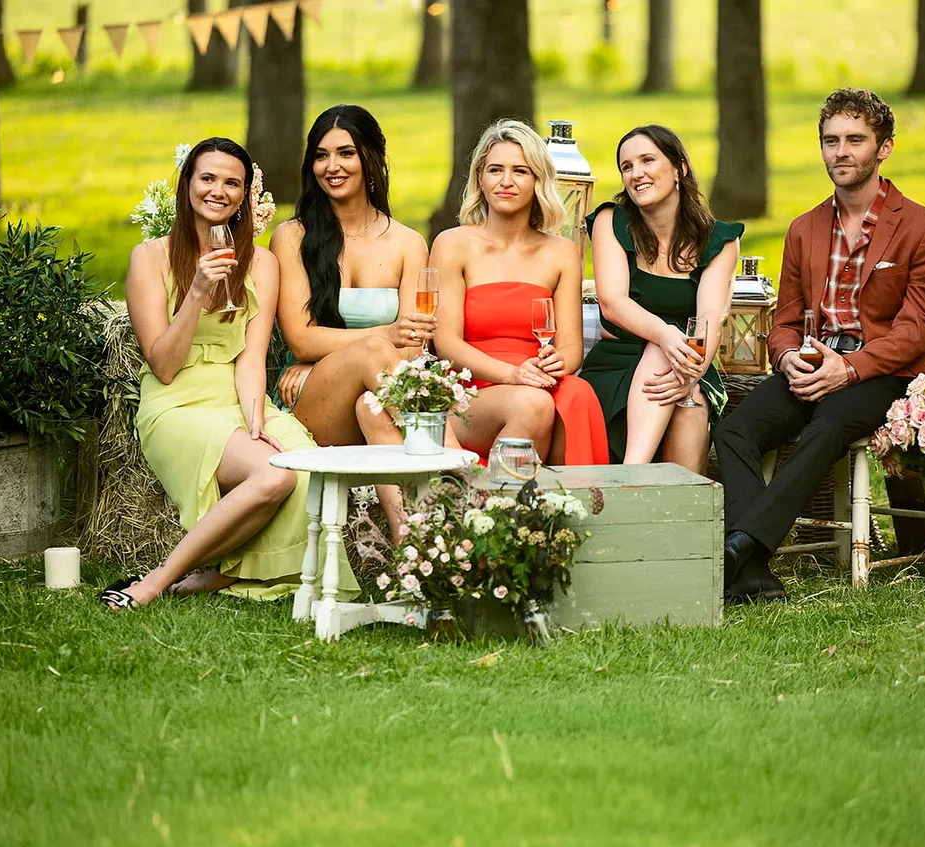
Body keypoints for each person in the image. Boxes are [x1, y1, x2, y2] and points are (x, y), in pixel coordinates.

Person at [714, 88, 925, 602]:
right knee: (734, 429)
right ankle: (751, 569)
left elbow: (916, 330)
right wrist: (786, 357)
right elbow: (784, 320)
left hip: (888, 374)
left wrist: (850, 368)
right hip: (814, 365)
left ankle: (745, 544)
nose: (840, 152)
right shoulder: (804, 228)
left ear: (883, 147)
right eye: (830, 141)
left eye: (854, 140)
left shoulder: (923, 226)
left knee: (829, 424)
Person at [101, 137, 317, 610]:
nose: (219, 191)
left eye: (232, 183)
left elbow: (251, 359)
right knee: (274, 477)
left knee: (305, 469)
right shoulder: (150, 257)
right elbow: (163, 364)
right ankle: (160, 579)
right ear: (187, 185)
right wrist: (196, 292)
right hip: (177, 401)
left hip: (234, 395)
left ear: (245, 195)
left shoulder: (262, 262)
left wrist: (257, 420)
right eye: (208, 178)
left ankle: (219, 573)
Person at [270, 105, 435, 530]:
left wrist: (369, 346)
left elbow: (413, 346)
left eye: (345, 153)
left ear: (370, 158)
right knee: (377, 350)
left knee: (372, 405)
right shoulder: (292, 238)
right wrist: (382, 336)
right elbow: (301, 342)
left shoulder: (408, 243)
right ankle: (456, 470)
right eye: (321, 156)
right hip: (311, 398)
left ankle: (414, 551)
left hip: (383, 393)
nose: (332, 166)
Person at [430, 119, 609, 466]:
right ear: (480, 178)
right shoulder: (453, 244)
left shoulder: (561, 252)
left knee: (578, 393)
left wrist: (560, 362)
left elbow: (571, 347)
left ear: (538, 180)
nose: (506, 182)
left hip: (537, 377)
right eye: (495, 170)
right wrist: (511, 375)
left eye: (521, 171)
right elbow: (447, 345)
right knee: (534, 402)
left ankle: (571, 503)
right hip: (471, 389)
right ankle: (502, 507)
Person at [580, 124, 743, 469]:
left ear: (679, 168)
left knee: (692, 400)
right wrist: (667, 335)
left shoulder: (719, 240)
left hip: (687, 363)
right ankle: (643, 483)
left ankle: (648, 488)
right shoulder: (611, 221)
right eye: (627, 167)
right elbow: (613, 302)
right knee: (665, 347)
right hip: (618, 362)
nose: (636, 173)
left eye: (647, 160)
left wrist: (689, 373)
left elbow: (710, 318)